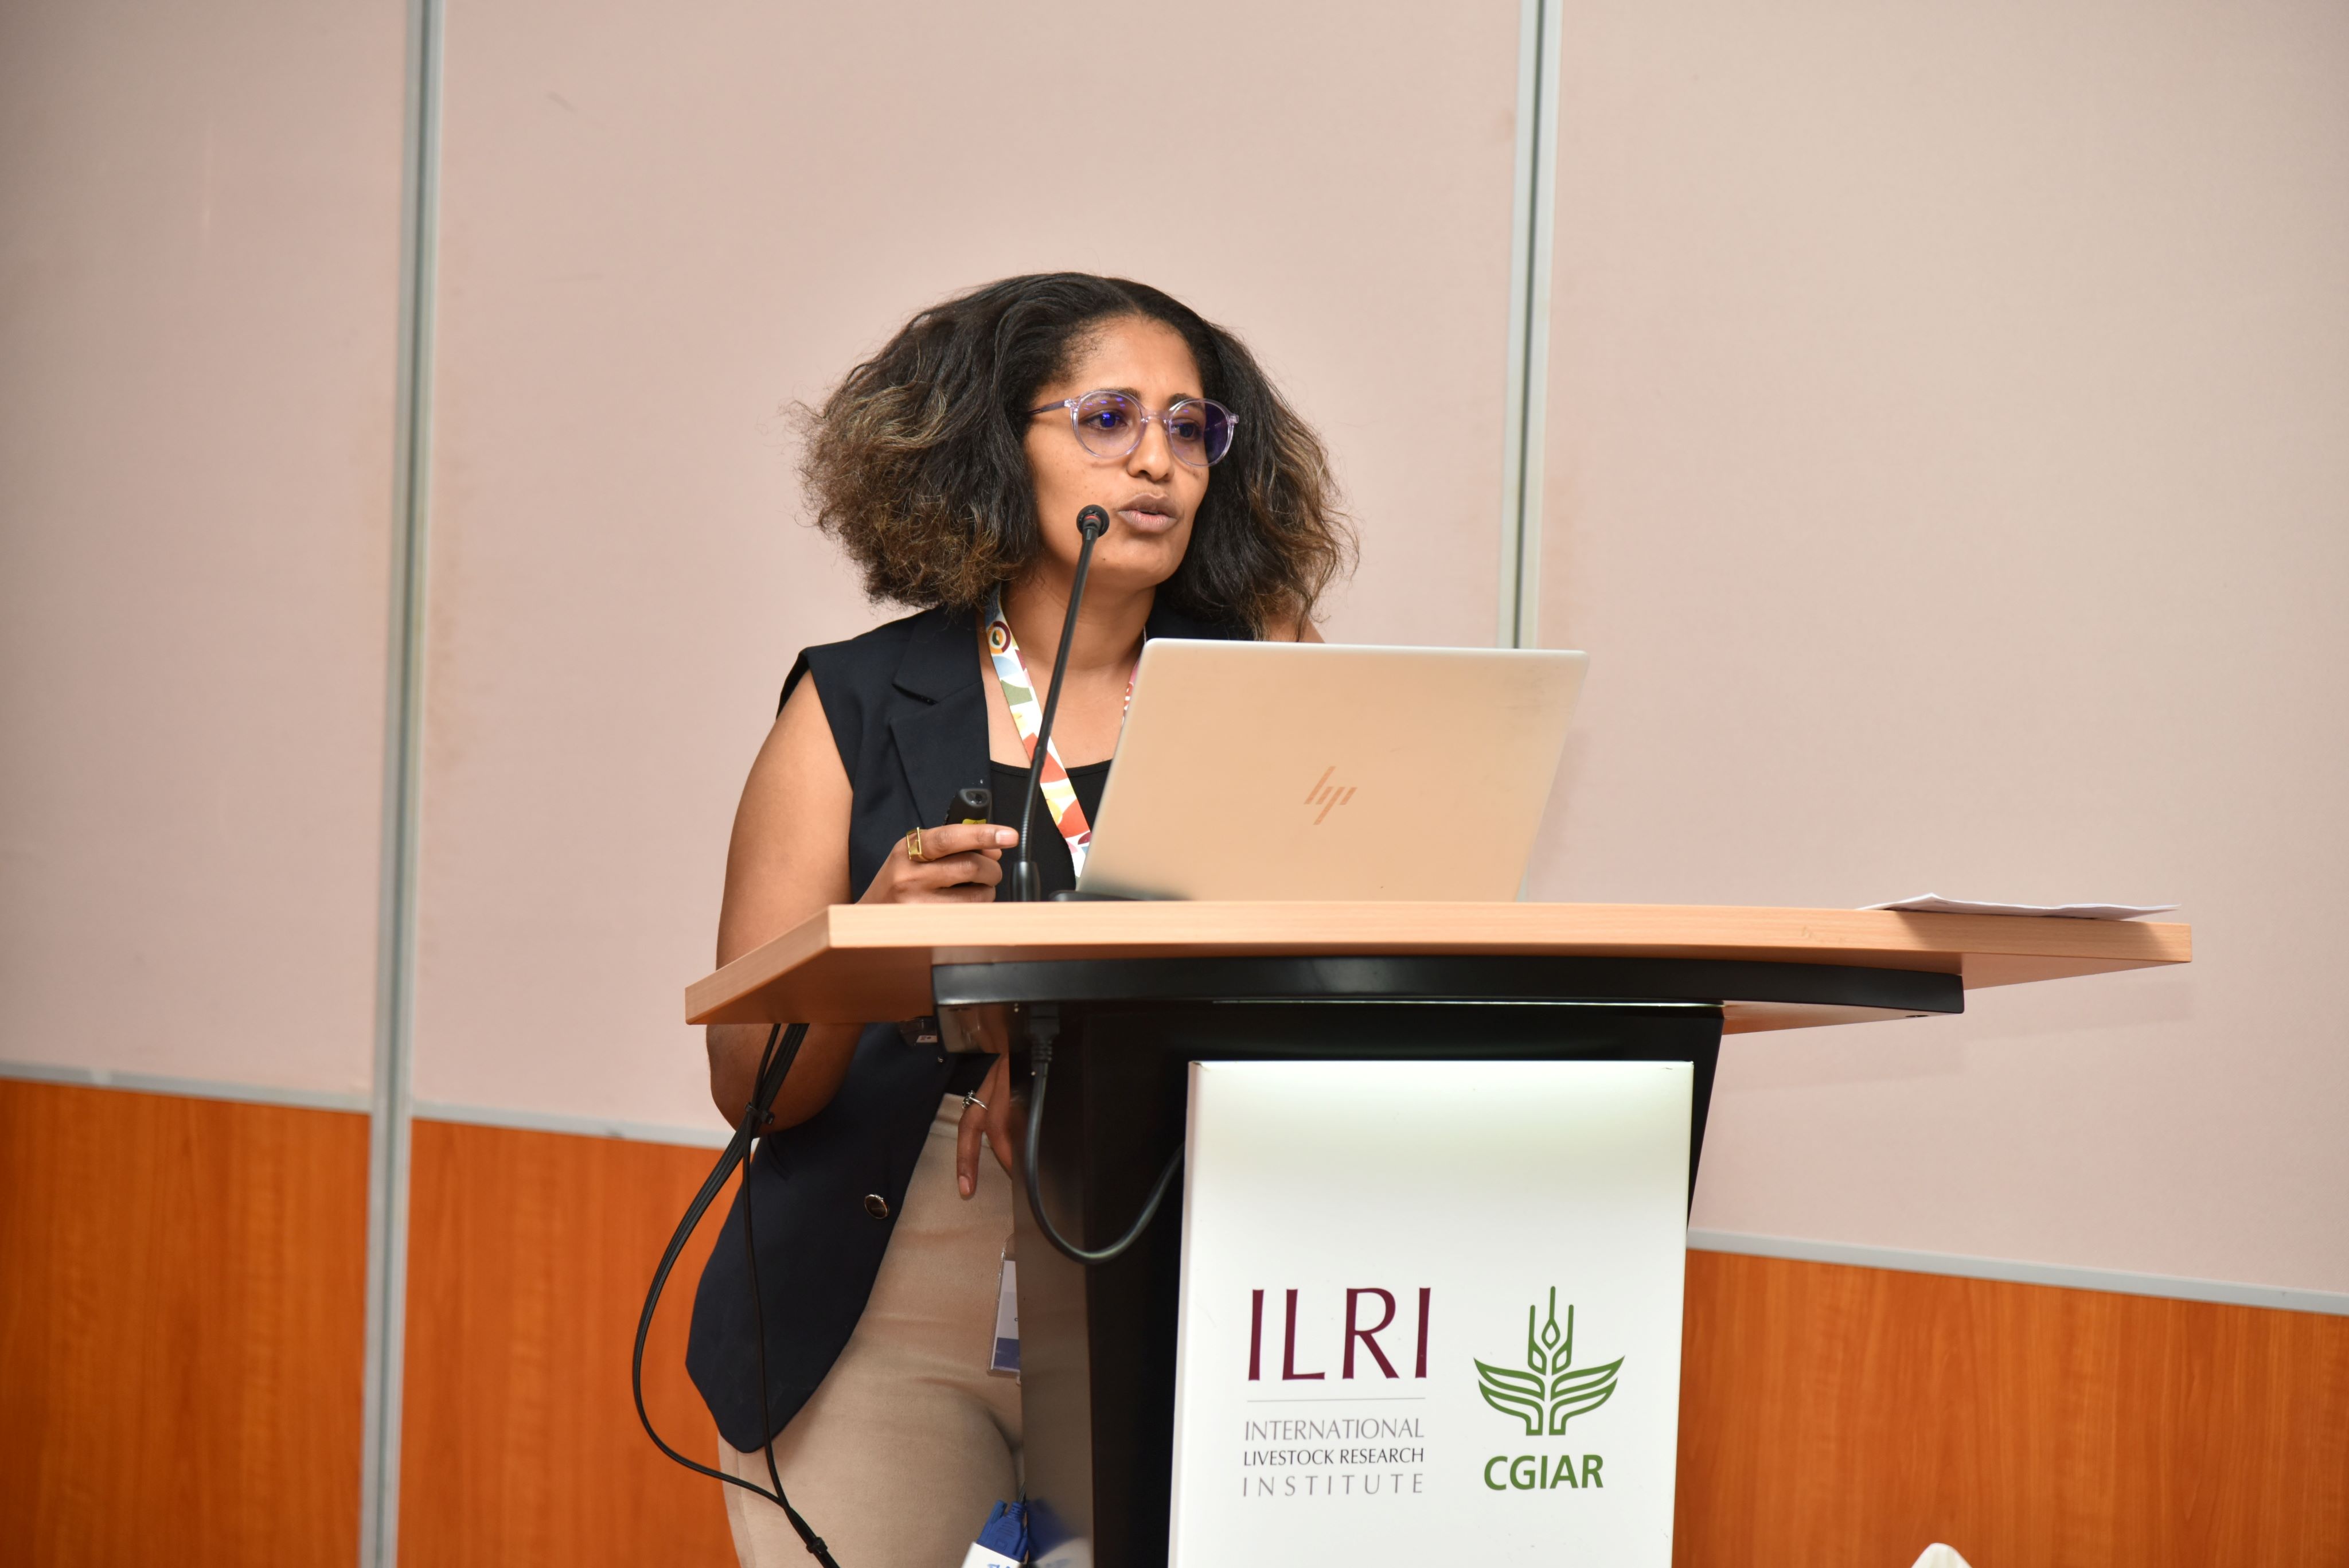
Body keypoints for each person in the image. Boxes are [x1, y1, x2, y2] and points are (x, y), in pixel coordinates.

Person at [686, 272, 1352, 1567]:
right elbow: (750, 1088)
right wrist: (867, 947)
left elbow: (1325, 964)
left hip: (1162, 1245)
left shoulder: (1264, 675)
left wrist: (1073, 1053)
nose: (1156, 459)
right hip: (886, 1282)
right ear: (1000, 445)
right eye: (1106, 417)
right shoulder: (854, 702)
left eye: (1189, 424)